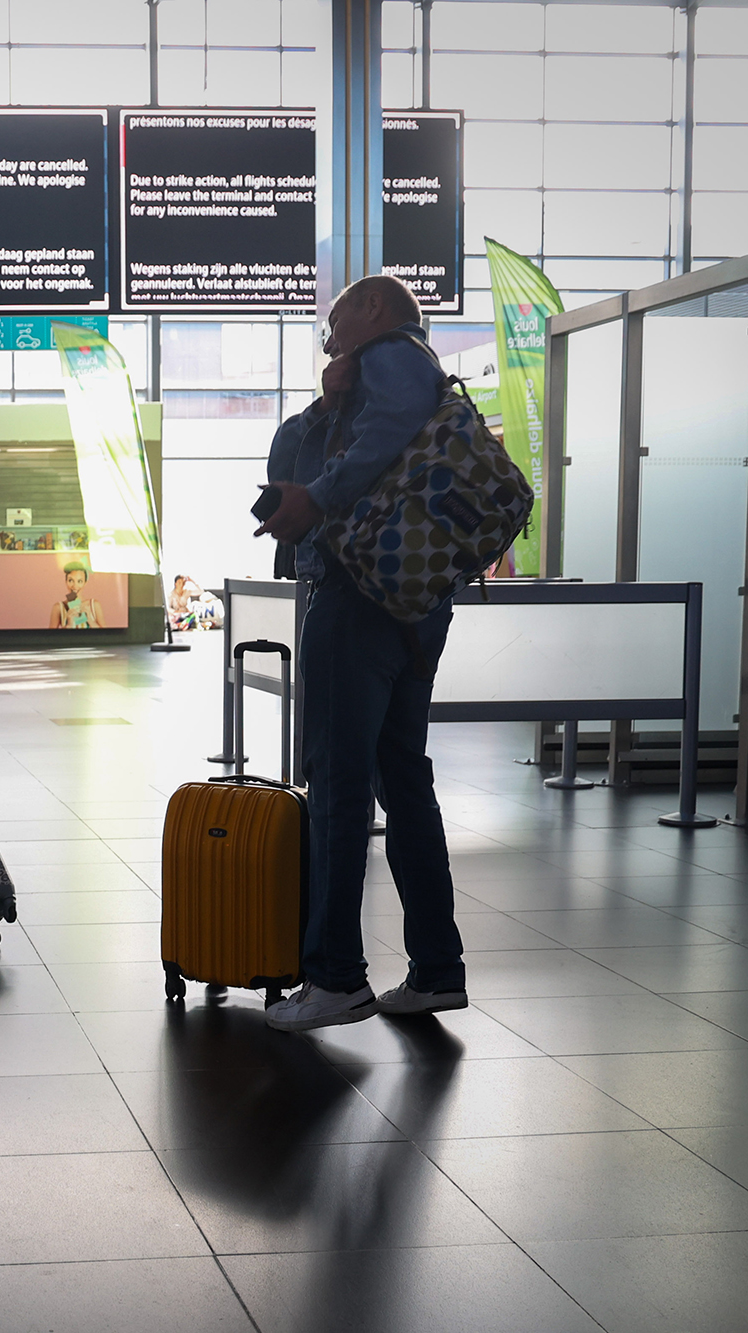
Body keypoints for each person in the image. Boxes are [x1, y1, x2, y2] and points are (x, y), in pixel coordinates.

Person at [254, 274, 468, 1031]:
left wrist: (320, 493)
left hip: (358, 600)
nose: (331, 334)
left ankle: (336, 976)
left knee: (339, 784)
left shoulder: (392, 356)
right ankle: (437, 968)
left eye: (335, 319)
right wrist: (333, 399)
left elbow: (362, 446)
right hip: (412, 603)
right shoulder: (404, 371)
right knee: (401, 778)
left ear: (373, 310)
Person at [48, 561, 103, 629]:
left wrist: (90, 620)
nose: (74, 586)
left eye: (79, 581)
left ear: (85, 583)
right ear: (66, 581)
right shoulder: (58, 607)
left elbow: (106, 636)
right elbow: (51, 637)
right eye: (71, 580)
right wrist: (69, 625)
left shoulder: (94, 605)